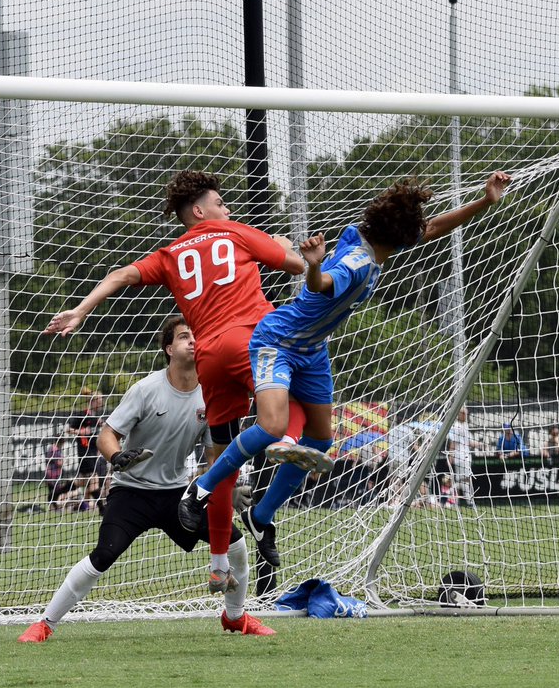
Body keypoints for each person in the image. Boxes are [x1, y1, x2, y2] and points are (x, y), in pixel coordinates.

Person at [178, 171, 512, 566]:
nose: (424, 231)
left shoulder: (364, 239)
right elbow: (320, 285)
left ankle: (261, 514)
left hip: (312, 350)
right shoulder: (357, 263)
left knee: (321, 440)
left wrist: (484, 202)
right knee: (269, 426)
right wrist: (314, 265)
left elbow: (434, 227)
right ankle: (200, 489)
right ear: (404, 237)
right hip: (279, 341)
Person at [43, 170, 306, 591]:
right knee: (304, 395)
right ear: (200, 210)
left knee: (224, 463)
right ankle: (286, 447)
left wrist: (81, 310)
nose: (227, 209)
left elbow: (120, 276)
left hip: (210, 360)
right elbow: (296, 265)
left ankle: (218, 563)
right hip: (249, 343)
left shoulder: (169, 254)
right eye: (220, 203)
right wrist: (284, 245)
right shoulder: (234, 231)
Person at [18, 316, 274, 642]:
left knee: (236, 544)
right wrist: (117, 457)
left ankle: (235, 618)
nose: (193, 341)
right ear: (169, 348)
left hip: (178, 495)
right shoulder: (145, 389)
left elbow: (215, 458)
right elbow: (106, 435)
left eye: (197, 336)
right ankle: (45, 624)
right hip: (131, 493)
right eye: (184, 337)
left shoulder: (212, 395)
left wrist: (228, 489)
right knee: (103, 556)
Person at [67, 388, 106, 510]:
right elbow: (67, 429)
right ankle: (102, 508)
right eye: (99, 400)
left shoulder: (96, 418)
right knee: (93, 480)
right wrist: (81, 431)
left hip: (93, 453)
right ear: (93, 401)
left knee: (81, 482)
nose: (101, 402)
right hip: (85, 453)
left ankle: (57, 493)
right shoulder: (82, 415)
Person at [446, 408, 477, 507]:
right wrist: (450, 456)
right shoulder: (456, 426)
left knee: (463, 479)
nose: (465, 415)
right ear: (459, 414)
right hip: (460, 457)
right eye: (463, 413)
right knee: (464, 479)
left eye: (466, 414)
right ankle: (467, 501)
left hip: (466, 456)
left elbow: (469, 442)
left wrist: (481, 445)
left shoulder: (465, 425)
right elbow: (453, 443)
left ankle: (455, 501)